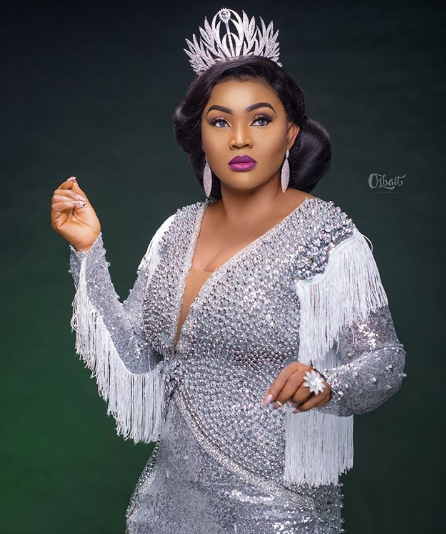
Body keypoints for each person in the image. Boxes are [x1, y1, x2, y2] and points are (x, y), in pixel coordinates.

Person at [50, 8, 407, 533]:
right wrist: (88, 251)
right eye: (220, 121)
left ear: (291, 134)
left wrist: (328, 382)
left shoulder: (328, 236)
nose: (240, 138)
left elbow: (386, 360)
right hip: (164, 510)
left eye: (260, 119)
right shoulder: (175, 232)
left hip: (275, 511)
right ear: (201, 136)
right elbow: (136, 354)